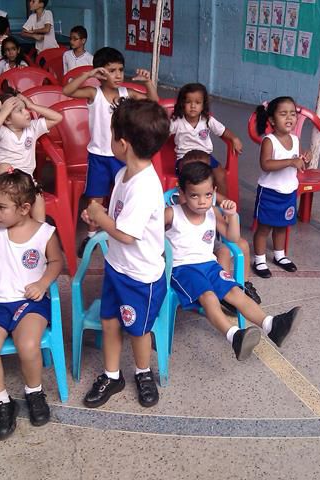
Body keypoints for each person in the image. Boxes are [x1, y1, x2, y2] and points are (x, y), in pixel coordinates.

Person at [80, 99, 169, 409]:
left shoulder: (144, 186)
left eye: (111, 133)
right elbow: (119, 219)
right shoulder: (124, 176)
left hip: (140, 276)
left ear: (123, 143)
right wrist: (99, 216)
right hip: (118, 267)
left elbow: (127, 234)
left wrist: (99, 216)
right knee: (109, 321)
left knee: (138, 329)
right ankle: (112, 375)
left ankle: (143, 372)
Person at [0, 169, 63, 440]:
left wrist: (43, 283)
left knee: (28, 344)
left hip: (30, 303)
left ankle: (34, 392)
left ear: (24, 208)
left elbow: (57, 262)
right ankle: (1, 402)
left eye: (1, 206)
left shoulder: (44, 233)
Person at [166, 162, 301, 360]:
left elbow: (233, 237)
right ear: (182, 193)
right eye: (194, 195)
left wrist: (232, 217)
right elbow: (148, 232)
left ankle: (272, 325)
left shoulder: (212, 212)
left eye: (207, 195)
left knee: (236, 292)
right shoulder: (172, 213)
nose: (202, 202)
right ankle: (234, 336)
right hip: (183, 269)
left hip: (209, 265)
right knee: (209, 297)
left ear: (214, 191)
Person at [62, 47, 158, 256]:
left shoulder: (127, 94)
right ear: (100, 73)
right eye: (111, 70)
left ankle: (121, 230)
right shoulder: (94, 94)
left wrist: (148, 83)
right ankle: (91, 236)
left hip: (123, 156)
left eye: (120, 70)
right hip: (99, 157)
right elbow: (67, 91)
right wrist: (88, 74)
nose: (118, 75)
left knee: (125, 194)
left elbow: (153, 104)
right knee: (95, 199)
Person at [174, 150, 262, 310]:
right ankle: (222, 293)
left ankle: (243, 284)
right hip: (190, 244)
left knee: (241, 245)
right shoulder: (183, 194)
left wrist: (229, 211)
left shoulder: (211, 196)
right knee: (224, 252)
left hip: (211, 237)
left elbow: (225, 204)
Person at [252, 96, 312, 279]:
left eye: (292, 114)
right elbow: (265, 164)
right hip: (270, 192)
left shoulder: (295, 139)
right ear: (272, 120)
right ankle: (259, 259)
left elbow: (299, 165)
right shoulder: (269, 141)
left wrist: (305, 160)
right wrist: (290, 161)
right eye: (283, 114)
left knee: (282, 226)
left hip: (289, 192)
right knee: (264, 227)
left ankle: (280, 255)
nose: (289, 118)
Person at [0, 92, 62, 222]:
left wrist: (32, 105)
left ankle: (39, 229)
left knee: (37, 194)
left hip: (22, 184)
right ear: (7, 120)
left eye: (25, 108)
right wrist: (4, 112)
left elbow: (57, 117)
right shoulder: (2, 131)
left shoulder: (33, 128)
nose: (26, 112)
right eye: (20, 110)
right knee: (4, 167)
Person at [170, 83, 244, 197]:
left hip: (205, 156)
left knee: (220, 175)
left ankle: (221, 204)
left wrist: (234, 138)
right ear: (182, 104)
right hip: (184, 158)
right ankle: (190, 202)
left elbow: (223, 131)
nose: (193, 106)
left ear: (203, 105)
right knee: (191, 177)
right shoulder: (177, 121)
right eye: (188, 102)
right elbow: (162, 134)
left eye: (197, 102)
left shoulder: (207, 120)